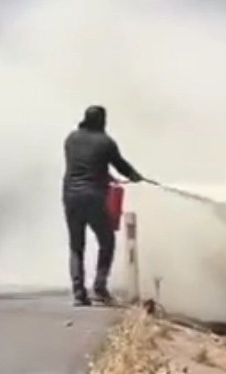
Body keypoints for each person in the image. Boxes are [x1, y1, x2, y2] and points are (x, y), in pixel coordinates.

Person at [63, 105, 145, 306]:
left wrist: (107, 176)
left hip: (71, 196)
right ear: (102, 121)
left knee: (76, 246)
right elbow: (119, 164)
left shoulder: (71, 139)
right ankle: (100, 286)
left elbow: (84, 165)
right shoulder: (105, 142)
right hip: (94, 197)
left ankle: (79, 293)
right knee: (106, 241)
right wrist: (135, 175)